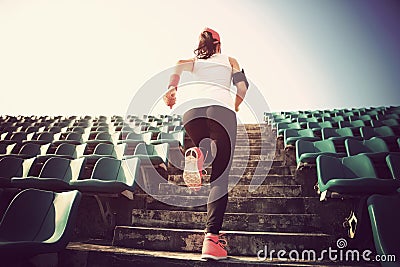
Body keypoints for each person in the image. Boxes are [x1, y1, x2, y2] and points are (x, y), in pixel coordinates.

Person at [163, 27, 249, 260]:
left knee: (206, 146)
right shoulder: (229, 60)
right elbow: (242, 86)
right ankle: (211, 239)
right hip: (220, 110)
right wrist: (237, 104)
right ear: (219, 44)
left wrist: (172, 87)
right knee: (219, 177)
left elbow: (179, 63)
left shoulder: (194, 61)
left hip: (191, 112)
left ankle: (200, 152)